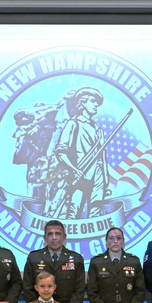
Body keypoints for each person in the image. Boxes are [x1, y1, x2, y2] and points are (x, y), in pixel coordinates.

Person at [53, 87, 110, 218]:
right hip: (81, 175)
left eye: (96, 102)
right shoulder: (73, 124)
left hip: (98, 177)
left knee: (95, 213)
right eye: (92, 101)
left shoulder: (98, 129)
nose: (96, 105)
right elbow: (60, 151)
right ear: (83, 103)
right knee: (73, 210)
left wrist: (105, 179)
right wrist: (74, 170)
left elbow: (102, 157)